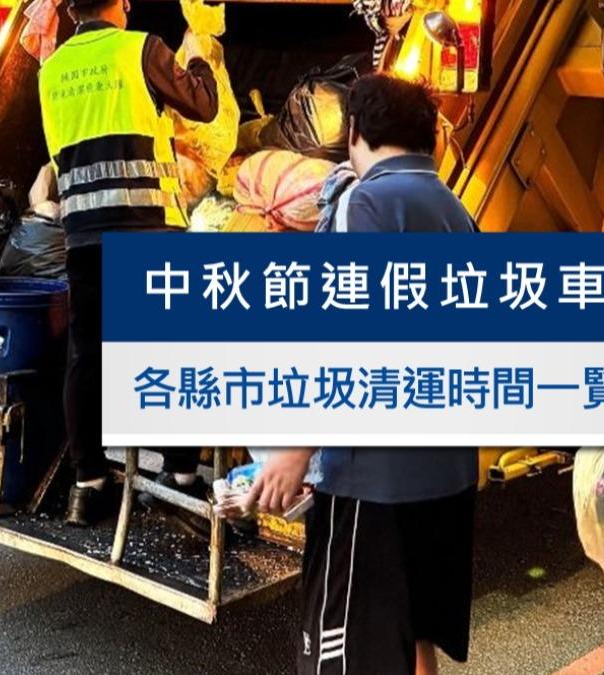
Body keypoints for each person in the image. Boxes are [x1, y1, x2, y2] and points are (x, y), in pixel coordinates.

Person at [242, 75, 479, 675]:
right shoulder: (456, 212)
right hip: (447, 476)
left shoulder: (364, 202)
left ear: (354, 133)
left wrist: (297, 449)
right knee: (415, 638)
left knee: (345, 656)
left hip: (375, 482)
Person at [38, 0, 218, 528]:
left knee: (87, 357)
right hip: (147, 228)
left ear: (72, 10)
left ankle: (88, 485)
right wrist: (199, 54)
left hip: (84, 235)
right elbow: (204, 105)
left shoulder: (51, 70)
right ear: (121, 4)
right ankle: (180, 476)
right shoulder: (140, 49)